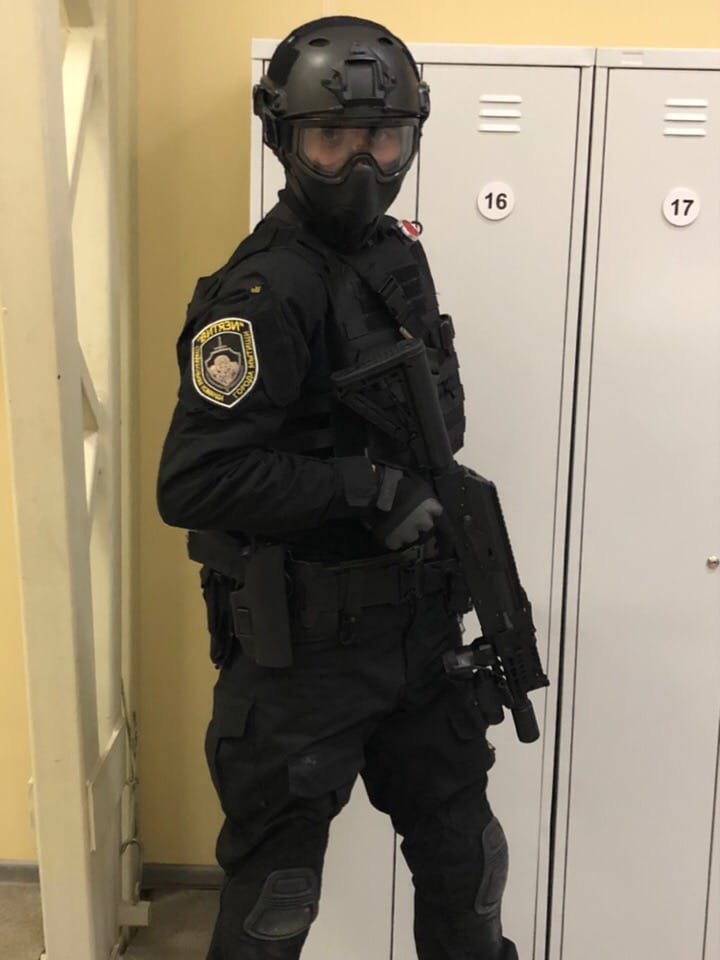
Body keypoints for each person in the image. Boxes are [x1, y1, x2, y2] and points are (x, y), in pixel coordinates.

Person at [157, 16, 518, 960]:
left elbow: (433, 419)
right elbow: (195, 479)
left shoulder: (396, 254)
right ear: (284, 140)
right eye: (331, 140)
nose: (361, 165)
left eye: (382, 140)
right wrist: (364, 489)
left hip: (420, 639)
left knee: (469, 869)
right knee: (275, 904)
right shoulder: (263, 292)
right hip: (304, 661)